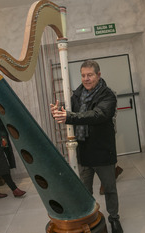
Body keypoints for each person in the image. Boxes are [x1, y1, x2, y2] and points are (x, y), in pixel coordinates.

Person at [50, 60, 123, 233]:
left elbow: (98, 115)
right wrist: (58, 111)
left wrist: (69, 117)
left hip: (103, 150)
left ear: (98, 75)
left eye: (90, 75)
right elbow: (70, 112)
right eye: (83, 75)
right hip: (83, 151)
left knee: (110, 189)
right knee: (84, 191)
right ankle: (89, 218)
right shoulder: (76, 95)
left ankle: (114, 218)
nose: (86, 79)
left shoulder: (108, 95)